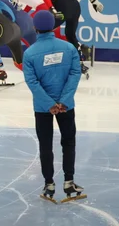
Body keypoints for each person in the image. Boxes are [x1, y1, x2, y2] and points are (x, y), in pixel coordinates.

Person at [23, 10, 86, 204]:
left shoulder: (29, 53)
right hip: (66, 105)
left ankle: (49, 184)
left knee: (45, 144)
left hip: (43, 108)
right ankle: (69, 181)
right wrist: (63, 101)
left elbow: (32, 83)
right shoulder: (68, 48)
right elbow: (75, 73)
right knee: (68, 142)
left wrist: (49, 104)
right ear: (55, 26)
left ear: (35, 28)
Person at [21, 0, 104, 76]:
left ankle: (47, 61)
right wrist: (94, 1)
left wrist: (52, 9)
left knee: (43, 33)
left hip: (63, 10)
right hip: (75, 7)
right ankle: (79, 61)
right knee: (70, 35)